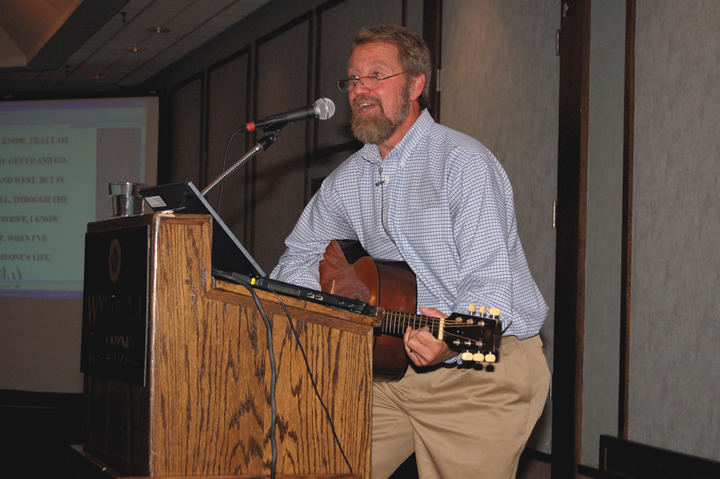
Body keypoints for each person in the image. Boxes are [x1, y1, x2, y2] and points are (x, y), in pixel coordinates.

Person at [271, 24, 551, 479]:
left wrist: (452, 342)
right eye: (353, 79)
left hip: (483, 366)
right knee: (312, 461)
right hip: (393, 367)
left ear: (416, 84)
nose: (360, 90)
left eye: (376, 75)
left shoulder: (462, 162)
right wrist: (309, 304)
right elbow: (299, 256)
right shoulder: (351, 177)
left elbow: (488, 282)